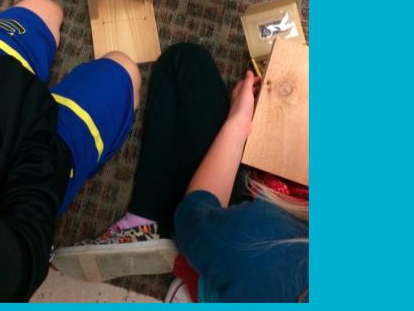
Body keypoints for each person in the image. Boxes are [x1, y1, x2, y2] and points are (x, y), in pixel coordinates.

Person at [52, 43, 309, 302]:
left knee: (183, 62)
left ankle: (154, 230)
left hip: (213, 232)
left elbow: (195, 215)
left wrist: (238, 121)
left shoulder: (266, 248)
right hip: (263, 231)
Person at [0, 0, 141, 302]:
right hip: (32, 159)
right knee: (125, 69)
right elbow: (24, 254)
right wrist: (41, 141)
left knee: (46, 9)